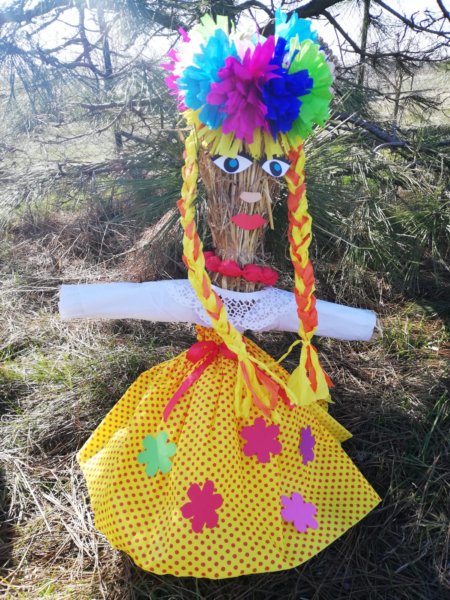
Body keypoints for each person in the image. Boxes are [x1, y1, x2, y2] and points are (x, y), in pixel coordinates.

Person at [59, 11, 380, 579]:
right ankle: (183, 527)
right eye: (233, 165)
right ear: (207, 174)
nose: (253, 191)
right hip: (208, 371)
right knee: (184, 451)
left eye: (271, 168)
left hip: (250, 377)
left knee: (265, 448)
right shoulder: (198, 292)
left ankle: (258, 520)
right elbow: (143, 300)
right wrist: (74, 300)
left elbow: (302, 315)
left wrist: (364, 324)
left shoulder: (264, 300)